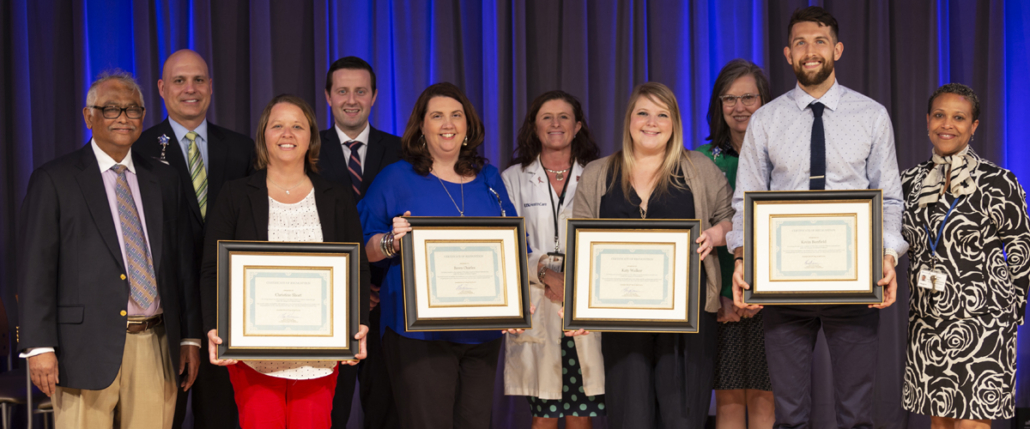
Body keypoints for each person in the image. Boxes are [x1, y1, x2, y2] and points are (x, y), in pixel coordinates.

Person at [727, 7, 907, 428]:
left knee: (856, 415)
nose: (811, 51)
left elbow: (891, 199)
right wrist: (740, 258)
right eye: (801, 43)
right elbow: (745, 201)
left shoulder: (872, 115)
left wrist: (887, 256)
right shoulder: (766, 120)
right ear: (788, 54)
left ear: (837, 49)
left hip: (855, 284)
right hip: (783, 290)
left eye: (820, 41)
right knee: (789, 417)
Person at [18, 70, 201, 428]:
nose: (123, 118)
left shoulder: (163, 179)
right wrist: (39, 347)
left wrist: (190, 336)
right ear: (89, 116)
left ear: (144, 116)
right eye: (111, 109)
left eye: (132, 109)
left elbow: (182, 263)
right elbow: (35, 269)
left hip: (156, 342)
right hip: (81, 349)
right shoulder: (55, 179)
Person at [201, 94, 371, 429]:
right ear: (264, 135)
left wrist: (359, 322)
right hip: (253, 357)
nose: (287, 133)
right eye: (277, 125)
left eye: (297, 126)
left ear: (311, 137)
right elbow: (211, 269)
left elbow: (357, 268)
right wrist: (213, 327)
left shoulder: (336, 197)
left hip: (319, 355)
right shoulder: (235, 195)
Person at [358, 82, 519, 429]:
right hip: (419, 336)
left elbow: (512, 245)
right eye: (437, 116)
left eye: (456, 115)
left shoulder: (490, 178)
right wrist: (391, 243)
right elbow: (362, 245)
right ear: (421, 127)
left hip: (483, 333)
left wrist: (515, 301)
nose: (448, 123)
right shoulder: (396, 177)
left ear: (467, 125)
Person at [572, 82, 733, 428]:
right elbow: (580, 243)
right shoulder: (599, 174)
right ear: (629, 119)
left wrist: (716, 234)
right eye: (642, 113)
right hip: (620, 318)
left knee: (683, 418)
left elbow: (734, 217)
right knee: (630, 417)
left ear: (674, 122)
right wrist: (579, 303)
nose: (651, 122)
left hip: (689, 319)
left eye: (662, 114)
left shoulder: (700, 169)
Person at [134, 48, 255, 429]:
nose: (191, 89)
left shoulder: (241, 148)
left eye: (199, 80)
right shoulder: (139, 149)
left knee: (220, 418)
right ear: (161, 88)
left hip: (226, 312)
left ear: (211, 87)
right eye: (180, 80)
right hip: (164, 316)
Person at [900, 83, 1030, 428]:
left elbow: (1021, 249)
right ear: (927, 120)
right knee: (941, 422)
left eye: (959, 117)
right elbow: (891, 241)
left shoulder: (999, 182)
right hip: (928, 319)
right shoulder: (909, 182)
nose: (947, 124)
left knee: (971, 424)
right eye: (940, 115)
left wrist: (1010, 314)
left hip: (984, 320)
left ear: (973, 126)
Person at [502, 90, 604, 429]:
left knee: (581, 412)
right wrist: (545, 273)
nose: (555, 123)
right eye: (547, 117)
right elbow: (508, 246)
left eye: (564, 117)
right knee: (543, 413)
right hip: (537, 296)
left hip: (582, 297)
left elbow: (606, 240)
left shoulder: (597, 175)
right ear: (534, 126)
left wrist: (572, 280)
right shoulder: (513, 178)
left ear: (577, 127)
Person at [318, 56, 402, 429]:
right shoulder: (306, 149)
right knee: (327, 411)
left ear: (374, 96)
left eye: (360, 91)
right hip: (325, 305)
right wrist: (350, 289)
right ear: (328, 97)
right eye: (342, 91)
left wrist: (376, 286)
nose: (351, 99)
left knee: (386, 411)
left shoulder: (402, 152)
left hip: (387, 303)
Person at [696, 59, 775, 429]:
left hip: (774, 298)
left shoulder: (784, 159)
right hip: (722, 299)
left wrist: (765, 292)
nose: (739, 107)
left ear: (765, 101)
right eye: (729, 98)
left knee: (764, 396)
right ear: (717, 104)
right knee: (727, 399)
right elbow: (702, 232)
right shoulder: (699, 160)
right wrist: (725, 292)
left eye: (748, 97)